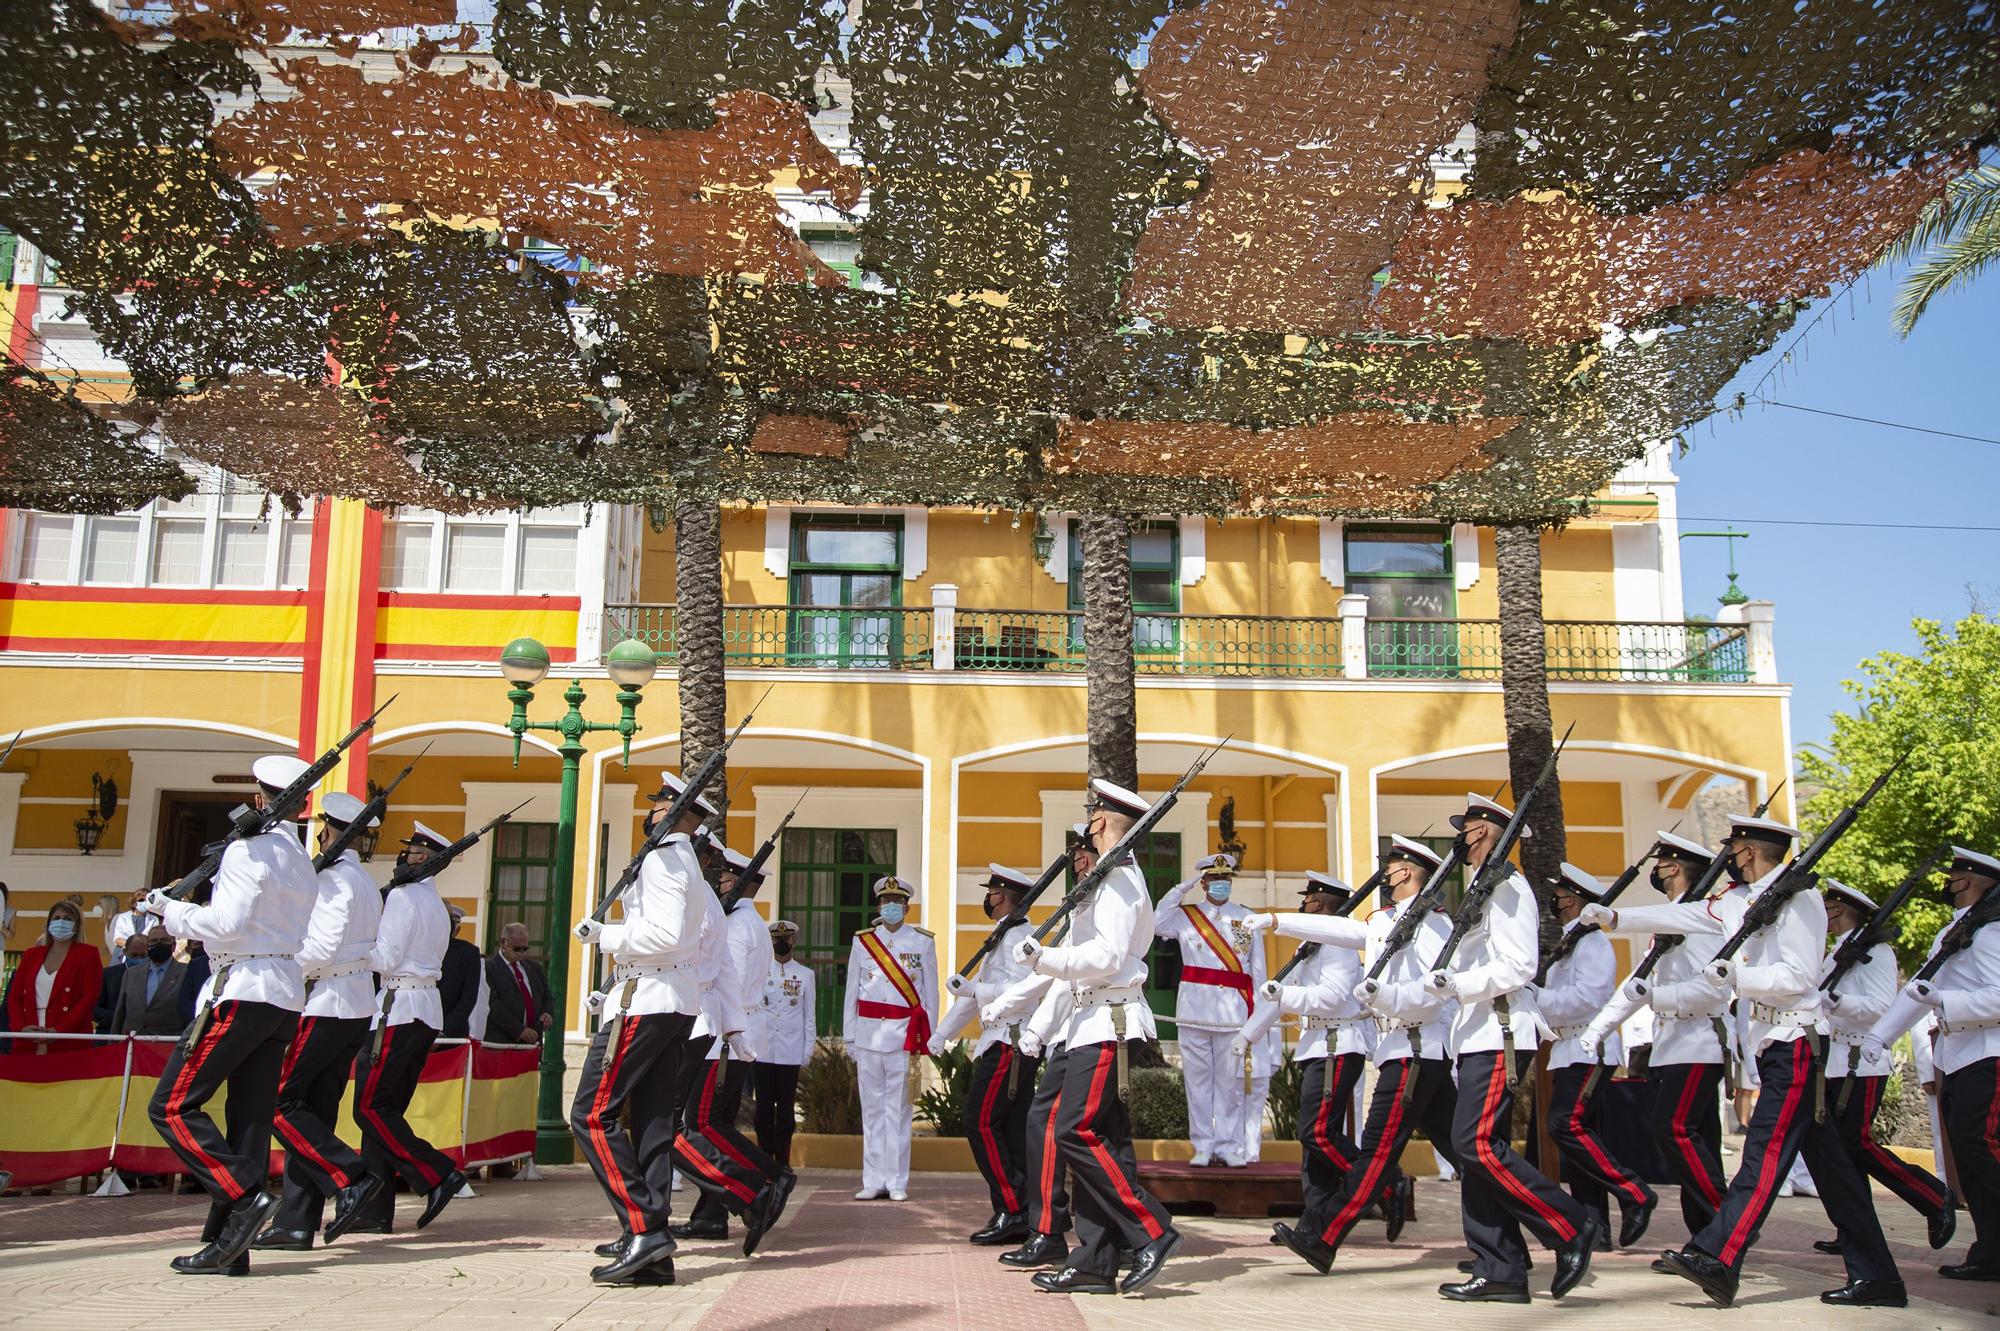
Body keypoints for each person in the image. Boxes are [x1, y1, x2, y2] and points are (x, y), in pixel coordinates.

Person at [1583, 812, 1906, 1308]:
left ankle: (1718, 1255)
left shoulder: (1800, 900)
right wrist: (1616, 918)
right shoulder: (1736, 900)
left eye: (1732, 850)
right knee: (1834, 1173)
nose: (1727, 859)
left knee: (1764, 1154)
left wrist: (1733, 977)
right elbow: (1683, 916)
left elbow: (1799, 978)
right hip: (1773, 1042)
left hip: (1798, 1040)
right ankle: (1879, 1277)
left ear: (1749, 852)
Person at [141, 754, 318, 1275]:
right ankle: (228, 1248)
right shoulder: (298, 856)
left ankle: (244, 1198)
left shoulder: (248, 851)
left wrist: (168, 909)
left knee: (172, 1106)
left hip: (240, 990)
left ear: (261, 798)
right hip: (282, 996)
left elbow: (225, 923)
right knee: (249, 1122)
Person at [1428, 793, 1596, 1304]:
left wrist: (1457, 984)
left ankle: (1569, 1225)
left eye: (1471, 827)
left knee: (1473, 1145)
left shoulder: (1510, 886)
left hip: (1500, 1031)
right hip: (1474, 1036)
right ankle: (1499, 1267)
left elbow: (1521, 965)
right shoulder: (1484, 887)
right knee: (1476, 1153)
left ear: (1489, 832)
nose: (1463, 835)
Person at [1014, 780, 1180, 1296]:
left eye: (1092, 815)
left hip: (1107, 1022)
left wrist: (1043, 958)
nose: (1088, 823)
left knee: (1074, 1132)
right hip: (1087, 1022)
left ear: (1102, 822)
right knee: (1097, 1140)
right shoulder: (1108, 877)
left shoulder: (1121, 881)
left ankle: (1151, 1229)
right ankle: (1095, 1260)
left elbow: (1106, 959)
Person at [1271, 836, 1456, 1273]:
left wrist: (1384, 994)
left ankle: (1326, 1236)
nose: (1385, 875)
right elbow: (1348, 930)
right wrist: (1276, 921)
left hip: (1415, 1048)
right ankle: (1515, 1246)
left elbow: (1436, 989)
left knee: (1373, 1156)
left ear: (1408, 872)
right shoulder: (1389, 920)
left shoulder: (1431, 923)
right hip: (1400, 1049)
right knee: (1467, 1153)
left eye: (1390, 868)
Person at [569, 774, 713, 1286]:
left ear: (669, 815)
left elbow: (666, 933)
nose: (649, 813)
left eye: (656, 807)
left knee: (590, 1115)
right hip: (669, 1000)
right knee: (651, 1123)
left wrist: (604, 934)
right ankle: (654, 1256)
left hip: (646, 999)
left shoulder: (663, 859)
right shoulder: (683, 861)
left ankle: (645, 1227)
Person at [1579, 831, 1730, 1241]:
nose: (1655, 868)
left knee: (1674, 1129)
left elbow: (1714, 986)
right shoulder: (1672, 918)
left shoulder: (1700, 919)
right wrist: (1600, 1027)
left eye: (1660, 861)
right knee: (1699, 1142)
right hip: (1673, 1045)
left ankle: (1728, 1223)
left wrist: (1658, 995)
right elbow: (1636, 981)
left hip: (1698, 1042)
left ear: (1675, 867)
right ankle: (1706, 1240)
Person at [257, 791, 387, 1250]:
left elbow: (321, 948)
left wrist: (277, 962)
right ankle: (296, 1221)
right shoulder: (363, 880)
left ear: (328, 830)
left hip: (326, 1001)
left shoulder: (334, 881)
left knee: (278, 1102)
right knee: (312, 1112)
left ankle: (349, 1176)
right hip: (350, 1005)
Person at [1864, 845, 2000, 1283]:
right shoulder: (1956, 930)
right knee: (1968, 1155)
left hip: (1990, 1053)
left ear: (1980, 882)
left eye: (1959, 875)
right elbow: (1918, 990)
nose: (1950, 881)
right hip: (1959, 1055)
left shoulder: (1993, 931)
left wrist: (1945, 1000)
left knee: (1984, 1149)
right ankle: (1990, 1250)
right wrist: (1880, 1035)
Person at [1814, 880, 1954, 1257]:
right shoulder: (1837, 952)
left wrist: (1837, 1001)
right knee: (1842, 1153)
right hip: (1835, 1061)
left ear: (1839, 909)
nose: (1821, 913)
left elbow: (1881, 1006)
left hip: (1864, 1061)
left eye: (1826, 906)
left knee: (1857, 1144)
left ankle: (1932, 1196)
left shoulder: (1875, 952)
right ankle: (1854, 1229)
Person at [1236, 872, 1378, 1242]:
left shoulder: (1337, 945)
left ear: (1326, 903)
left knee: (1318, 1134)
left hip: (1337, 1044)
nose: (1305, 902)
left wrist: (1283, 998)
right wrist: (1247, 1034)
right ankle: (1312, 1225)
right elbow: (1279, 993)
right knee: (1313, 1148)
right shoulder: (1311, 946)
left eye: (1312, 898)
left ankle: (1384, 1184)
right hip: (1317, 1045)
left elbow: (1330, 997)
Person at [347, 820, 467, 1237]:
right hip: (423, 1009)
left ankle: (435, 1174)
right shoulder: (435, 902)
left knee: (368, 1107)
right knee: (384, 1111)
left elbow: (385, 957)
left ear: (428, 860)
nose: (405, 859)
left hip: (397, 1007)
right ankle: (376, 1208)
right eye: (408, 852)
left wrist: (346, 948)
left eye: (415, 854)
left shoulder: (402, 898)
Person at [982, 826, 1092, 1271]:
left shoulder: (1117, 898)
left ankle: (1138, 1231)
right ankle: (1050, 1229)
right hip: (1060, 1032)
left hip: (1093, 1029)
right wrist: (1040, 1033)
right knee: (1044, 1129)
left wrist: (1005, 1006)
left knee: (1066, 1133)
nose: (1079, 862)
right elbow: (1059, 982)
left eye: (1085, 854)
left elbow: (1069, 972)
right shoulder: (1082, 908)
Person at [675, 845, 791, 1253]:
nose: (718, 883)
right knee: (713, 1124)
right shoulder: (748, 922)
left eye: (723, 878)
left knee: (699, 1125)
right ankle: (710, 1215)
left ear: (738, 882)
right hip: (734, 1031)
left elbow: (731, 984)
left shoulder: (739, 926)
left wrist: (725, 1033)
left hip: (723, 1035)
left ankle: (765, 1179)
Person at [1537, 863, 1657, 1251]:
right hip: (1569, 1049)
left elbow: (1588, 999)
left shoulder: (1591, 943)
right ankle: (1595, 1226)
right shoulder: (1572, 941)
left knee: (1564, 1125)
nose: (1553, 899)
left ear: (1572, 899)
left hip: (1590, 1047)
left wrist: (1536, 999)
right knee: (1582, 1139)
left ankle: (1634, 1191)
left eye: (1558, 894)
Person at [932, 863, 1041, 1246]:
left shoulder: (1022, 937)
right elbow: (980, 989)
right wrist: (944, 1032)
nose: (987, 897)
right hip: (1001, 1040)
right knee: (1010, 1131)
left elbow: (1023, 988)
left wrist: (974, 992)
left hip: (1011, 1042)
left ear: (1005, 895)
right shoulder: (1003, 934)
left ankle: (1012, 1209)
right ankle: (1021, 1212)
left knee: (979, 1122)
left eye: (992, 892)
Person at [1154, 852, 1262, 1167]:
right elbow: (1157, 921)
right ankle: (1202, 1145)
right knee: (1198, 1082)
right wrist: (1181, 888)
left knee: (1230, 1084)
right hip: (1194, 1011)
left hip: (1233, 1012)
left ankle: (1229, 1145)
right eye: (1214, 880)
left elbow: (1258, 971)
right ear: (1203, 882)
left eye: (1225, 879)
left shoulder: (1247, 917)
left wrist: (1258, 1016)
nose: (1220, 884)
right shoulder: (1186, 916)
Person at [843, 875, 937, 1203]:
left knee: (898, 1109)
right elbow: (852, 991)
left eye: (896, 902)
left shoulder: (922, 942)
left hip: (904, 1037)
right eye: (885, 902)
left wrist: (931, 1036)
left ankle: (896, 1180)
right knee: (871, 1110)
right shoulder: (863, 941)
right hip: (868, 1034)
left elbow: (930, 995)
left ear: (907, 907)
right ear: (878, 906)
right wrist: (849, 1036)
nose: (891, 907)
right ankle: (872, 1180)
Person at [754, 919, 814, 1168]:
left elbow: (809, 1017)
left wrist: (807, 1051)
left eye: (786, 939)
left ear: (793, 942)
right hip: (763, 1051)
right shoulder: (758, 972)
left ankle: (783, 1159)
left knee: (787, 1111)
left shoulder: (804, 975)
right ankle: (764, 1158)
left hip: (790, 1052)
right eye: (777, 939)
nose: (781, 943)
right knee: (763, 1110)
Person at [6, 897, 102, 1051]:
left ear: (77, 925)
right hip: (28, 1038)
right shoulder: (31, 954)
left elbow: (89, 997)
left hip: (68, 1038)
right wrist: (21, 1027)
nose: (61, 922)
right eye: (56, 918)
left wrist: (60, 1030)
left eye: (67, 918)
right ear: (49, 923)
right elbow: (15, 996)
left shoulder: (88, 954)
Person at [109, 923, 187, 1037]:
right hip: (132, 1044)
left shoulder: (186, 973)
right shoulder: (131, 974)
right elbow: (120, 1013)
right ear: (147, 946)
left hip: (168, 1044)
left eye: (165, 940)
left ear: (173, 945)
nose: (159, 944)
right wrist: (114, 1044)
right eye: (154, 941)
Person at [483, 922, 552, 1046]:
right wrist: (519, 1030)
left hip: (532, 1042)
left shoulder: (534, 967)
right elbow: (492, 1004)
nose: (521, 953)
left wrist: (547, 1013)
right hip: (502, 1041)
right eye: (516, 948)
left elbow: (546, 995)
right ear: (503, 943)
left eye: (524, 949)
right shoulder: (489, 968)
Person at [437, 904, 485, 1041]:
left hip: (451, 1037)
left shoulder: (468, 953)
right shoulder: (418, 949)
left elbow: (468, 999)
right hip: (415, 1034)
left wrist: (443, 1033)